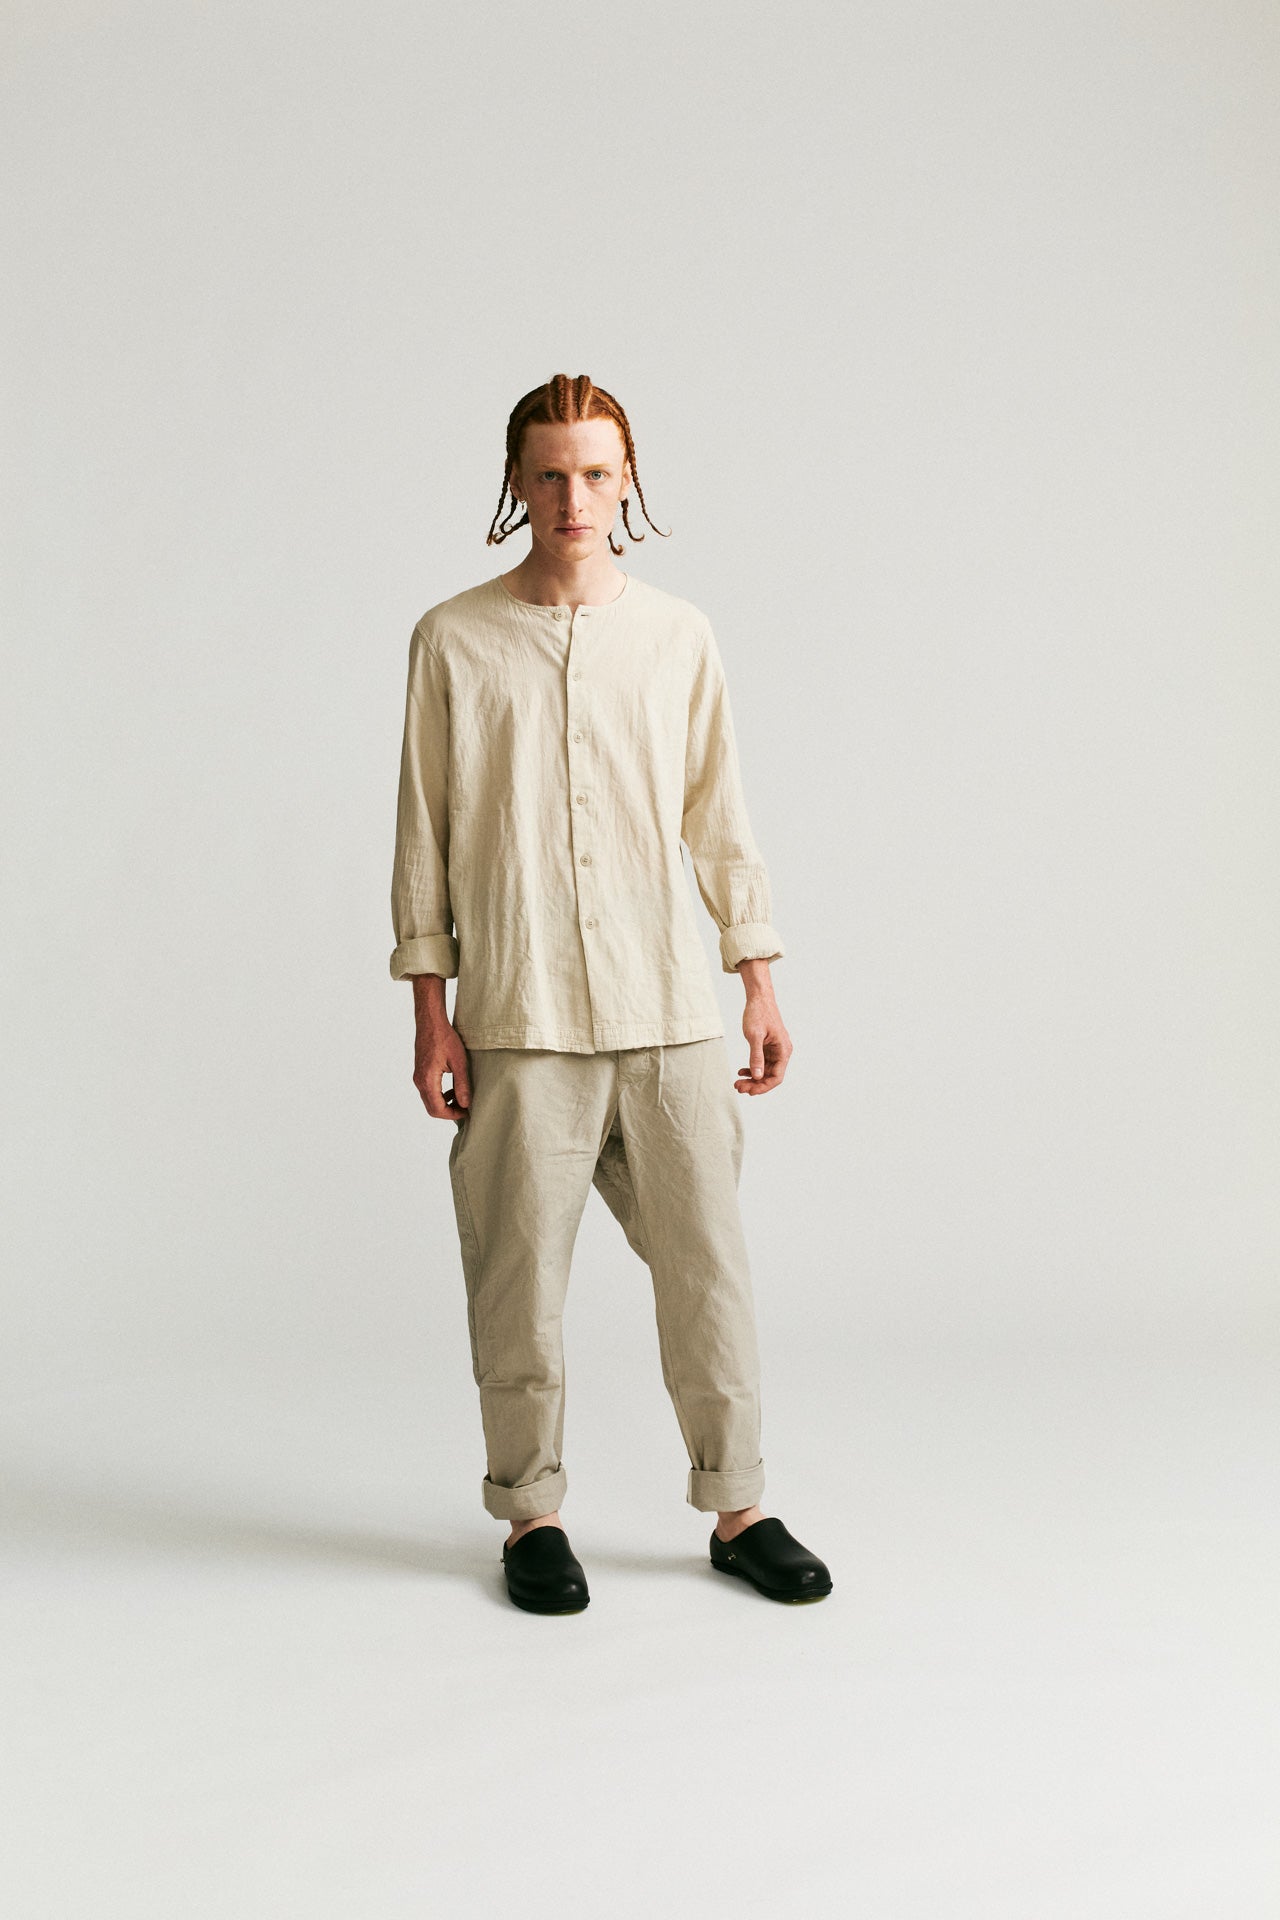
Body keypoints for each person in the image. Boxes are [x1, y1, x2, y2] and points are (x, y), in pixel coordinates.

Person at [390, 373, 831, 1613]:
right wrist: (431, 1013)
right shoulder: (452, 639)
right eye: (548, 474)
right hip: (519, 1014)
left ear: (625, 478)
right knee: (516, 1282)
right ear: (515, 482)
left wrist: (755, 979)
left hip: (667, 1007)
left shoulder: (677, 635)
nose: (571, 498)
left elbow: (716, 815)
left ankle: (738, 1508)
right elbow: (423, 834)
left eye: (593, 473)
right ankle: (530, 1515)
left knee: (708, 1270)